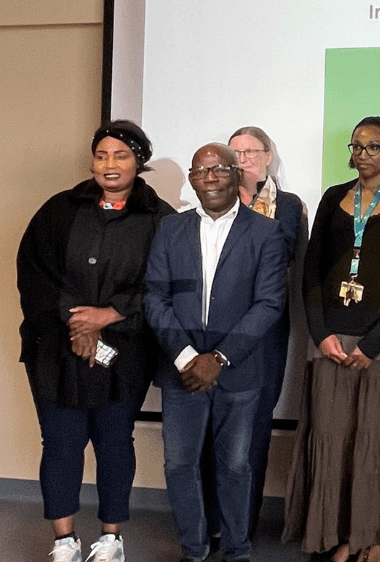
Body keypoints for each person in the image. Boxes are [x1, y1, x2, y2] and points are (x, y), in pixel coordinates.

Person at [17, 120, 175, 562]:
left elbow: (167, 284)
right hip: (56, 348)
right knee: (61, 443)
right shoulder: (59, 209)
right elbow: (33, 272)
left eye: (121, 155)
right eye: (102, 155)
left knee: (113, 441)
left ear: (139, 162)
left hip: (125, 350)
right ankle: (64, 540)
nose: (110, 164)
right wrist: (77, 322)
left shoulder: (162, 219)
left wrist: (110, 314)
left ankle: (111, 538)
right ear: (92, 160)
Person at [284, 116, 380, 562]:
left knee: (379, 443)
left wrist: (374, 342)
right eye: (357, 146)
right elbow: (310, 270)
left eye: (373, 146)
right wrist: (321, 332)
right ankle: (338, 535)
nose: (363, 154)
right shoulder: (332, 198)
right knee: (333, 438)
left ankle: (375, 537)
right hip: (330, 339)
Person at [144, 143, 287, 562]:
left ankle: (238, 549)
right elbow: (154, 296)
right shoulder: (171, 229)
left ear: (237, 174)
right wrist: (187, 356)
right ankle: (194, 547)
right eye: (200, 171)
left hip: (237, 370)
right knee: (179, 465)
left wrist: (219, 359)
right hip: (181, 369)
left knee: (236, 468)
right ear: (192, 178)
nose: (209, 178)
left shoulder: (266, 232)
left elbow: (269, 304)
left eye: (218, 170)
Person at [197, 126, 304, 539]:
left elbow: (285, 261)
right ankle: (208, 522)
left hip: (264, 336)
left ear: (268, 154)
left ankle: (239, 523)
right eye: (235, 152)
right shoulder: (209, 203)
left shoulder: (290, 206)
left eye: (251, 151)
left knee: (253, 433)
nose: (243, 159)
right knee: (208, 429)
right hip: (212, 332)